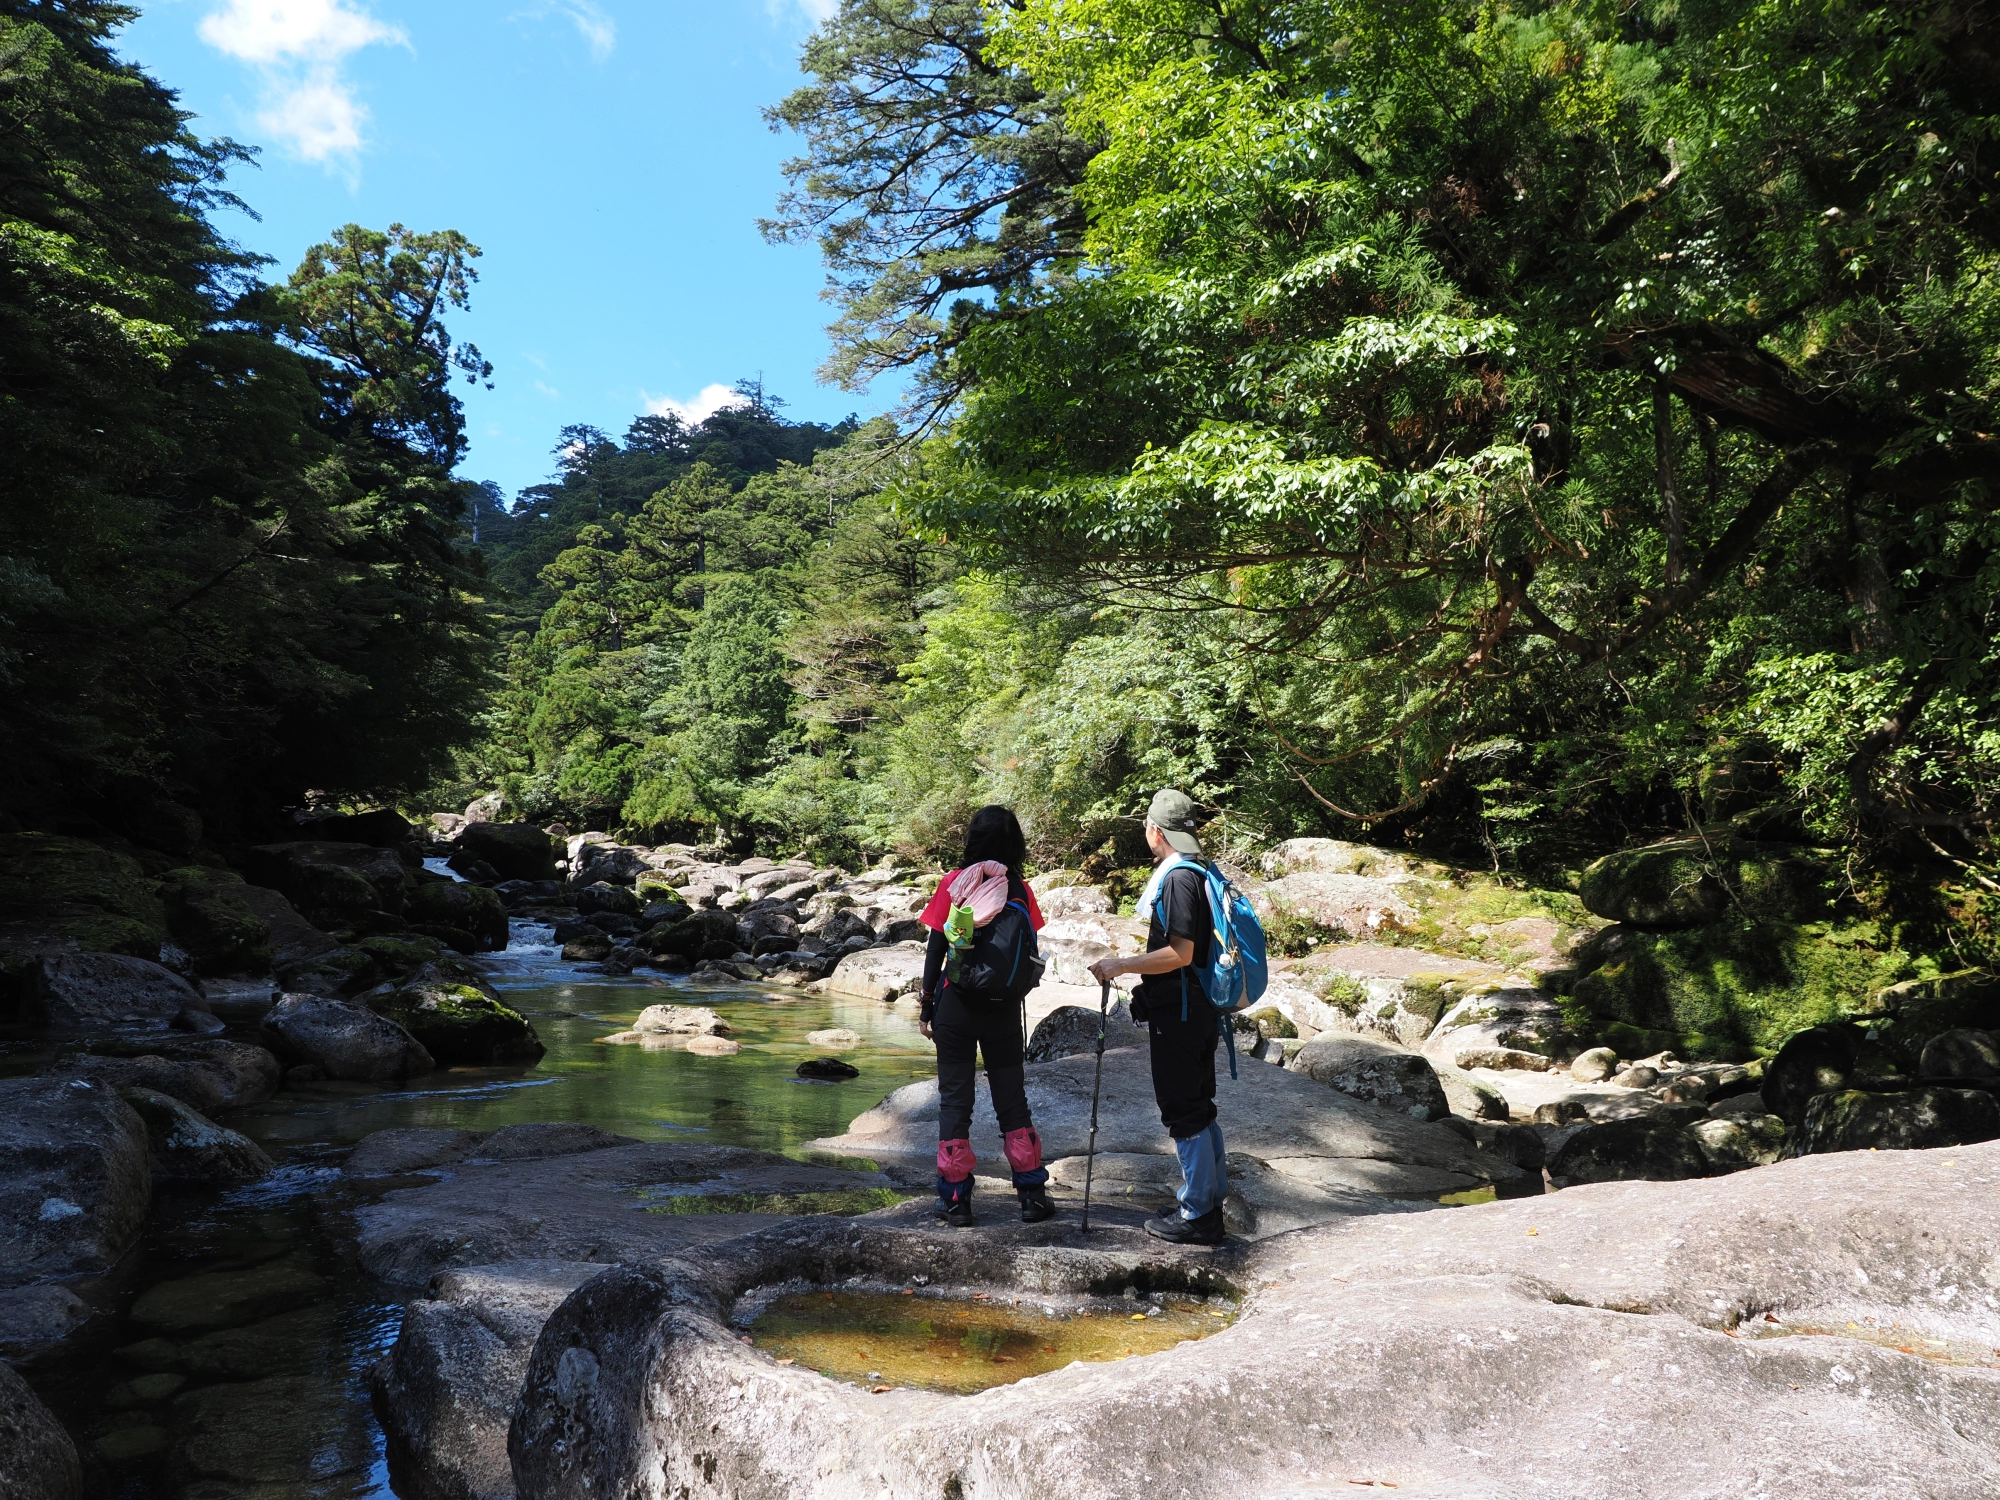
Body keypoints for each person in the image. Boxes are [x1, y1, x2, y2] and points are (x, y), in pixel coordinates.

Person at [1088, 788, 1227, 1245]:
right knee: (1198, 1107)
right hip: (1199, 1009)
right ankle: (1204, 1203)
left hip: (1183, 1014)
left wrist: (1121, 964)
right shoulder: (1201, 870)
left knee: (1184, 1110)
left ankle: (1199, 1215)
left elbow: (1181, 953)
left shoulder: (1178, 879)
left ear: (1154, 830)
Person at [917, 805, 1054, 1227]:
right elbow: (1027, 947)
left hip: (956, 1007)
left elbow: (936, 950)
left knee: (956, 1102)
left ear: (972, 840)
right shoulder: (1020, 889)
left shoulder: (953, 884)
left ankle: (956, 1200)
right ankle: (1031, 1195)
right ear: (1015, 843)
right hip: (1003, 1011)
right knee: (1012, 1102)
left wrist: (926, 1005)